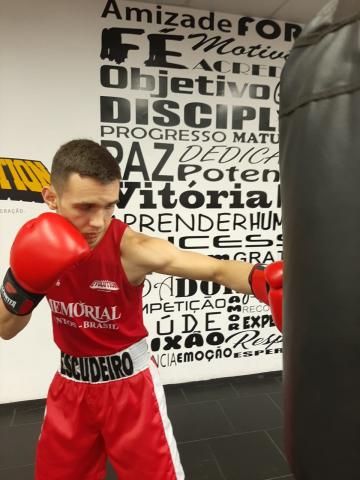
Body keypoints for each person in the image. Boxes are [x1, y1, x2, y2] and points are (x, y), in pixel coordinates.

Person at [0, 139, 283, 480]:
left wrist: (263, 284)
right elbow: (6, 328)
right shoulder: (37, 244)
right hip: (70, 386)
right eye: (85, 207)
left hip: (129, 389)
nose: (99, 221)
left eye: (109, 206)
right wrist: (27, 284)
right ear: (51, 198)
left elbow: (215, 269)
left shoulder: (131, 249)